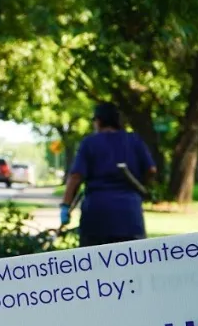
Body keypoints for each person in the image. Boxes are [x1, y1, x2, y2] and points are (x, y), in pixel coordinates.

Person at [60, 102, 157, 247]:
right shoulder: (134, 140)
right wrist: (140, 186)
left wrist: (65, 207)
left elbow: (76, 177)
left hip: (96, 215)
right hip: (129, 215)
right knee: (132, 259)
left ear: (98, 121)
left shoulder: (89, 143)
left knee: (94, 259)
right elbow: (151, 170)